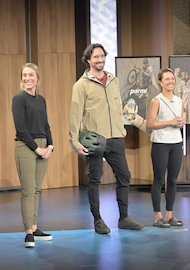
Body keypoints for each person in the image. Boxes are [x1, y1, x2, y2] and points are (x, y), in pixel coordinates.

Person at [69, 43, 144, 234]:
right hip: (96, 140)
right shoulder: (81, 86)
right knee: (94, 179)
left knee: (124, 176)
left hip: (117, 137)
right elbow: (75, 115)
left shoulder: (114, 80)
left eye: (102, 56)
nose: (100, 60)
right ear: (88, 60)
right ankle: (97, 220)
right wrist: (74, 141)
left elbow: (116, 109)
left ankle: (124, 217)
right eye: (96, 57)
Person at [12, 63, 54, 248]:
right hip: (26, 147)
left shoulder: (41, 99)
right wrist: (36, 149)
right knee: (28, 190)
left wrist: (50, 145)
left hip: (43, 146)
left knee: (37, 189)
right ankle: (28, 231)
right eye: (24, 75)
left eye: (31, 75)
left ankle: (35, 226)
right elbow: (21, 129)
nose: (27, 78)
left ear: (38, 78)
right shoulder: (19, 99)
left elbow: (46, 125)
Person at [146, 68, 185, 228]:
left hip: (176, 142)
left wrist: (181, 122)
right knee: (158, 180)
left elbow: (180, 120)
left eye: (172, 79)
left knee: (173, 181)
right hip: (160, 144)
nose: (170, 82)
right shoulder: (156, 101)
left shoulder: (179, 100)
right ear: (160, 82)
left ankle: (169, 215)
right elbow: (150, 123)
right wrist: (170, 122)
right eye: (167, 79)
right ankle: (158, 216)